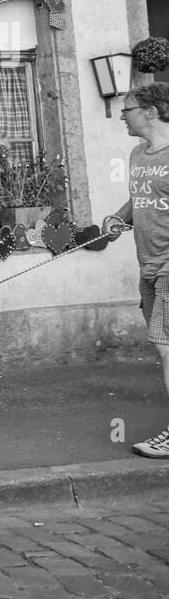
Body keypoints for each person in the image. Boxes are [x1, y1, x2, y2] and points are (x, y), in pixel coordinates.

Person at [103, 84, 169, 459]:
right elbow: (142, 197)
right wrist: (118, 218)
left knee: (165, 345)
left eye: (126, 108)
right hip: (148, 262)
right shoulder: (138, 154)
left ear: (152, 110)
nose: (121, 115)